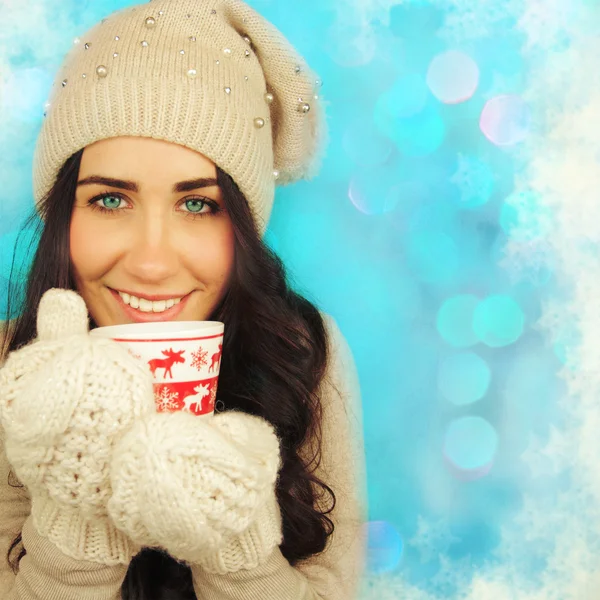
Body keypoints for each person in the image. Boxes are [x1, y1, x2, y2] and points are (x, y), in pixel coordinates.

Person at [0, 0, 368, 599]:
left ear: (243, 229)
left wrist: (232, 543)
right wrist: (75, 521)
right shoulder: (7, 366)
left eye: (198, 204)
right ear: (64, 213)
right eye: (110, 200)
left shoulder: (301, 354)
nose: (150, 263)